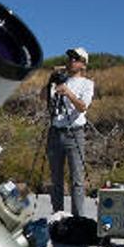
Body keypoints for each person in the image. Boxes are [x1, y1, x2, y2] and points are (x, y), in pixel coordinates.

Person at [42, 47, 95, 216]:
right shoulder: (58, 80)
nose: (71, 61)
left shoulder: (87, 84)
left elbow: (82, 106)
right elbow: (43, 97)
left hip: (75, 133)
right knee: (55, 178)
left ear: (83, 65)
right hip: (55, 131)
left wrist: (68, 93)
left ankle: (77, 218)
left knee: (77, 180)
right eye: (70, 57)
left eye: (76, 58)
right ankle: (57, 215)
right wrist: (51, 80)